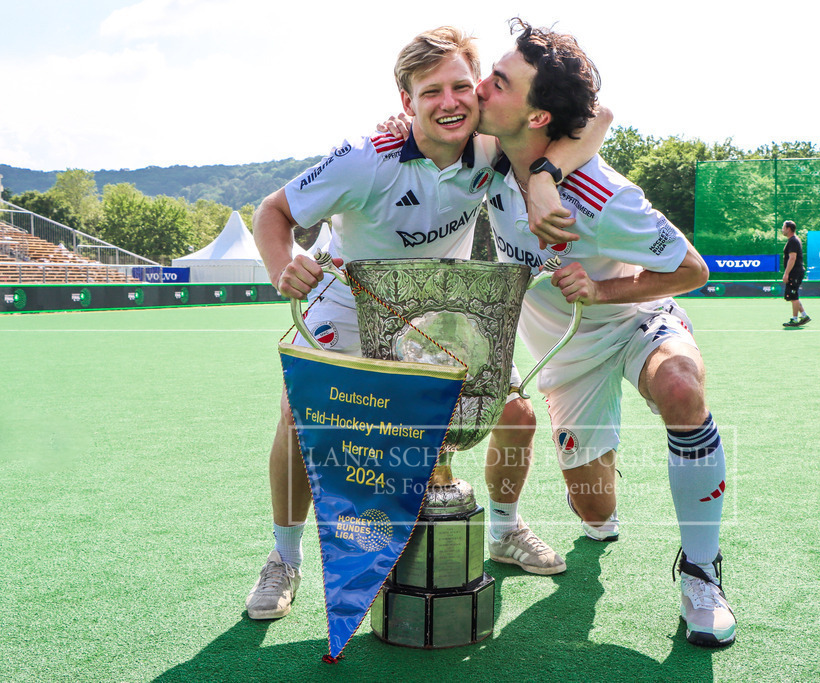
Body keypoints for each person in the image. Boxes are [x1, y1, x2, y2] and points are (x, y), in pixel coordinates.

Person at [247, 26, 610, 621]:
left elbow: (599, 114)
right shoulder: (365, 159)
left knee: (514, 410)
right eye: (431, 91)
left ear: (479, 92)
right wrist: (283, 266)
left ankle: (503, 531)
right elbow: (274, 211)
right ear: (405, 102)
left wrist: (543, 178)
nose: (449, 102)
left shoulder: (493, 146)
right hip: (349, 298)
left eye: (461, 86)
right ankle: (284, 559)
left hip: (436, 310)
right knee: (297, 411)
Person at [473, 18, 736, 647]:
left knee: (679, 386)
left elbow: (691, 269)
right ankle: (597, 484)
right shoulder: (480, 155)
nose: (482, 87)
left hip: (632, 320)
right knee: (596, 512)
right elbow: (602, 113)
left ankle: (702, 572)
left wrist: (603, 288)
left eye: (500, 81)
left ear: (538, 118)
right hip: (569, 358)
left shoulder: (600, 193)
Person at [781, 220, 810, 327]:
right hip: (795, 272)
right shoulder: (793, 240)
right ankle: (804, 316)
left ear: (788, 229)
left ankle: (794, 319)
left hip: (795, 272)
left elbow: (792, 258)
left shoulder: (793, 241)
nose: (782, 230)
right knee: (794, 296)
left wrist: (786, 273)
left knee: (794, 296)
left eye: (783, 227)